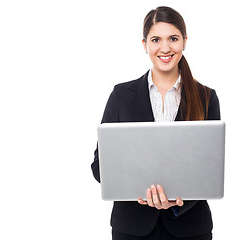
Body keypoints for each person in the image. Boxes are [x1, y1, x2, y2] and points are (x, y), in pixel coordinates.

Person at [91, 6, 221, 240]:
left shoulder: (206, 97)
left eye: (173, 38)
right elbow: (100, 166)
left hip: (189, 228)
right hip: (131, 228)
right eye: (155, 39)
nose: (165, 48)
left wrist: (178, 201)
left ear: (185, 41)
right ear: (144, 45)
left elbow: (209, 170)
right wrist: (137, 188)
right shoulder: (121, 95)